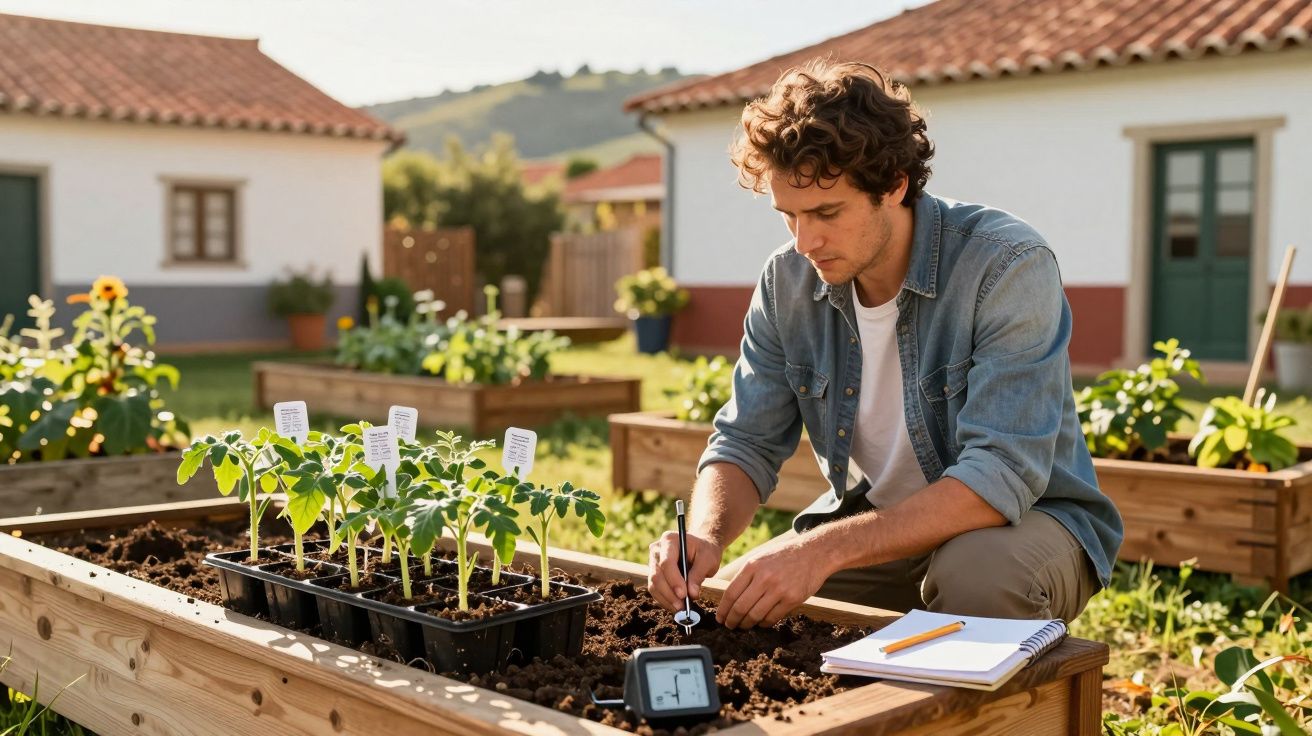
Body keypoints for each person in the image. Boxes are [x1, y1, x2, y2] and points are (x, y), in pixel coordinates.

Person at [647, 60, 1122, 630]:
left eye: (826, 212)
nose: (805, 242)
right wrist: (704, 532)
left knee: (976, 578)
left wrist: (821, 550)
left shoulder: (1005, 266)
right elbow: (747, 440)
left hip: (1026, 521)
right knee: (736, 604)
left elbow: (1001, 476)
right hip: (882, 523)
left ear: (895, 184)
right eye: (788, 216)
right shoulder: (787, 283)